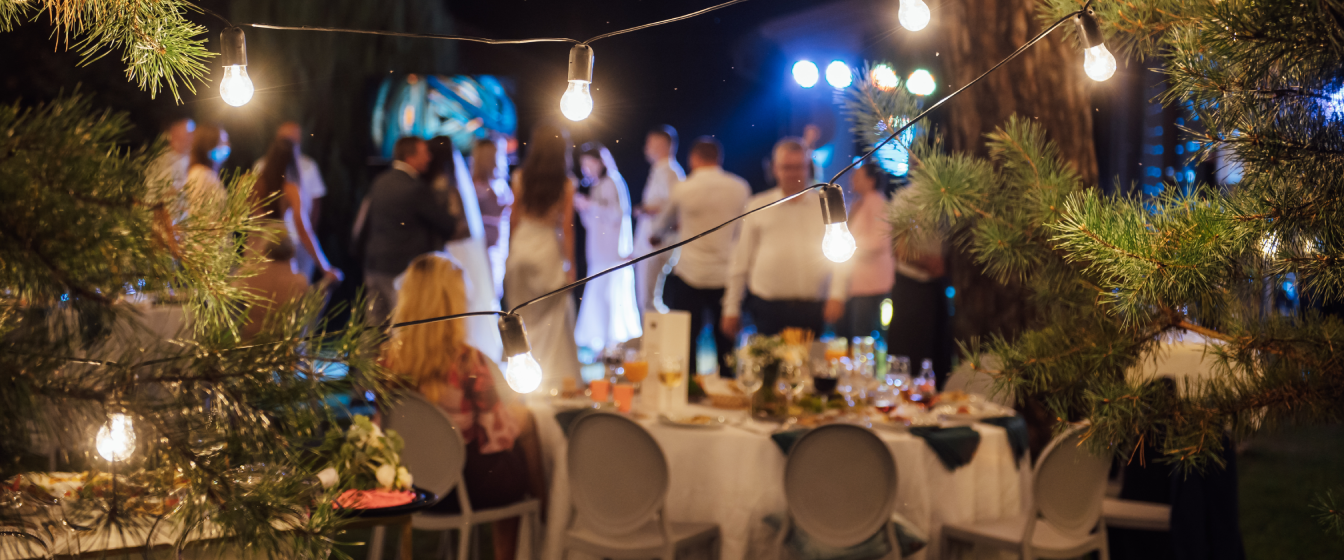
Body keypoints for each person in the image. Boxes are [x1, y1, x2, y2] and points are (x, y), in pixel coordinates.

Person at [384, 254, 547, 560]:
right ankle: (545, 516)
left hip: (408, 485)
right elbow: (498, 436)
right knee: (523, 434)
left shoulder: (388, 362)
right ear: (452, 303)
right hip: (458, 490)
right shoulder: (469, 363)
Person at [721, 137, 850, 337]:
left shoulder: (825, 205)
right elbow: (740, 260)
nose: (793, 174)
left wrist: (837, 295)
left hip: (813, 308)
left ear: (808, 168)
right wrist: (731, 307)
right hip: (767, 308)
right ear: (775, 169)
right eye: (786, 167)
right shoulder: (757, 205)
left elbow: (842, 257)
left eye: (798, 167)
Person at [652, 137, 750, 374]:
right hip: (725, 274)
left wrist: (657, 235)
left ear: (693, 159)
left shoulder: (683, 188)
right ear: (719, 158)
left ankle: (689, 393)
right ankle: (727, 394)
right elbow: (745, 233)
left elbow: (660, 227)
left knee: (687, 342)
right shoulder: (740, 187)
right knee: (726, 345)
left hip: (690, 273)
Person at [355, 136, 460, 325]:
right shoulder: (416, 188)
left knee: (373, 327)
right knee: (402, 326)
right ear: (410, 157)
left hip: (373, 264)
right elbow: (446, 225)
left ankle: (367, 356)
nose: (429, 157)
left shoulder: (380, 181)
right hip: (400, 269)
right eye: (424, 153)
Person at [505, 122, 580, 384]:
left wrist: (509, 254)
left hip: (522, 247)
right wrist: (570, 265)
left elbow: (514, 220)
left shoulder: (521, 177)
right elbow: (567, 229)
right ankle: (553, 380)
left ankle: (520, 376)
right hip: (547, 250)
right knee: (553, 318)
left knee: (521, 316)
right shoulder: (565, 183)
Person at [429, 136, 504, 359]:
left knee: (469, 299)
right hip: (469, 249)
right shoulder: (457, 185)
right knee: (470, 297)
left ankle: (472, 349)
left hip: (466, 249)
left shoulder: (448, 185)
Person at [573, 142, 642, 351]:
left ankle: (613, 344)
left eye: (589, 163)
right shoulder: (596, 186)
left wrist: (590, 205)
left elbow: (617, 215)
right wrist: (583, 208)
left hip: (612, 252)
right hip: (598, 251)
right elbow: (591, 222)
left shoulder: (613, 181)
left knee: (611, 297)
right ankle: (602, 344)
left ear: (600, 162)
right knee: (600, 297)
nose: (586, 169)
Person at [254, 138, 342, 288]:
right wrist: (325, 267)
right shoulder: (290, 189)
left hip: (256, 251)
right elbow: (303, 229)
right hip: (282, 251)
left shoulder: (255, 184)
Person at [888, 182, 950, 380]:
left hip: (937, 287)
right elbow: (901, 249)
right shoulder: (906, 198)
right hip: (910, 287)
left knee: (939, 357)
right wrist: (930, 263)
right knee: (909, 359)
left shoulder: (950, 196)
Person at [839, 161, 896, 339]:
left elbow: (880, 240)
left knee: (863, 335)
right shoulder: (860, 203)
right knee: (855, 332)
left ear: (871, 180)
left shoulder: (877, 202)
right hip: (859, 283)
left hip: (872, 284)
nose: (852, 179)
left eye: (857, 176)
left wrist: (849, 246)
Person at [633, 125, 685, 314]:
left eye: (650, 143)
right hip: (652, 242)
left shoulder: (669, 171)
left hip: (657, 243)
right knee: (647, 298)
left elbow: (673, 207)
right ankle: (653, 340)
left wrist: (645, 209)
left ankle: (657, 341)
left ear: (663, 145)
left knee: (649, 299)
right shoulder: (660, 170)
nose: (646, 148)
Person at [232, 233, 311, 340]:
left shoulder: (246, 276)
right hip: (281, 347)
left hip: (247, 344)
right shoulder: (300, 282)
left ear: (264, 251)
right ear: (292, 252)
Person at [472, 136, 514, 299]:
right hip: (485, 247)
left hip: (500, 244)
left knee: (495, 290)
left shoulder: (500, 184)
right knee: (488, 291)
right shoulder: (478, 185)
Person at [180, 122, 228, 224]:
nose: (228, 146)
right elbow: (194, 218)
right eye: (222, 141)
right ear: (209, 144)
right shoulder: (200, 175)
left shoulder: (208, 174)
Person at [149, 118, 193, 195]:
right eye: (188, 133)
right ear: (174, 133)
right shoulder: (161, 159)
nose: (192, 137)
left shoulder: (192, 160)